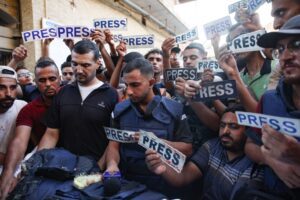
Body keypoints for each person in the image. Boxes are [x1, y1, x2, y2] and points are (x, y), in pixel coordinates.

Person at [105, 58, 193, 198]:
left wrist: (155, 142)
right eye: (126, 85)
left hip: (163, 185)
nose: (129, 91)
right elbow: (113, 145)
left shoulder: (174, 109)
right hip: (128, 184)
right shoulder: (119, 110)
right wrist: (111, 165)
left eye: (135, 85)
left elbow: (188, 149)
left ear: (151, 82)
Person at [145, 105, 265, 200]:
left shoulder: (253, 167)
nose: (225, 131)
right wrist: (160, 165)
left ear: (249, 131)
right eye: (222, 126)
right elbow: (183, 178)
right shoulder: (212, 146)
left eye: (233, 126)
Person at [245, 15, 300, 197]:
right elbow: (250, 146)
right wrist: (271, 160)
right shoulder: (269, 100)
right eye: (280, 49)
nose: (284, 57)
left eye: (297, 45)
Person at [37, 40, 118, 164]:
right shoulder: (63, 93)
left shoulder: (111, 95)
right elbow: (51, 133)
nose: (78, 70)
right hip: (63, 167)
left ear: (97, 63)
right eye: (75, 64)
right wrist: (38, 160)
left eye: (85, 65)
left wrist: (99, 167)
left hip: (96, 170)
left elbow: (114, 140)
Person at [0, 60, 61, 199]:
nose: (48, 84)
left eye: (52, 79)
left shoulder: (72, 98)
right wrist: (8, 176)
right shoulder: (28, 109)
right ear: (35, 82)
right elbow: (20, 142)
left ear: (60, 78)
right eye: (42, 80)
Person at [218, 24, 273, 112]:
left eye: (239, 39)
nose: (236, 46)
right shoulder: (237, 76)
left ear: (254, 38)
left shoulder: (278, 67)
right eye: (233, 42)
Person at [0, 66, 27, 169]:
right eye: (1, 88)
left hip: (18, 170)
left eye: (12, 87)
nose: (8, 94)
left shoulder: (23, 107)